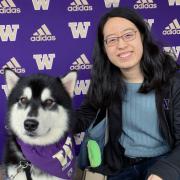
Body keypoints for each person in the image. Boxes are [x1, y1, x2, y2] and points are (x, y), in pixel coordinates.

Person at [74, 7, 180, 180]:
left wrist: (165, 172)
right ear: (105, 48)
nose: (121, 45)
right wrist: (53, 122)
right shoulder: (104, 80)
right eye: (112, 39)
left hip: (163, 163)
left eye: (128, 35)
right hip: (120, 165)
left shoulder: (173, 83)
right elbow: (86, 115)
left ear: (143, 37)